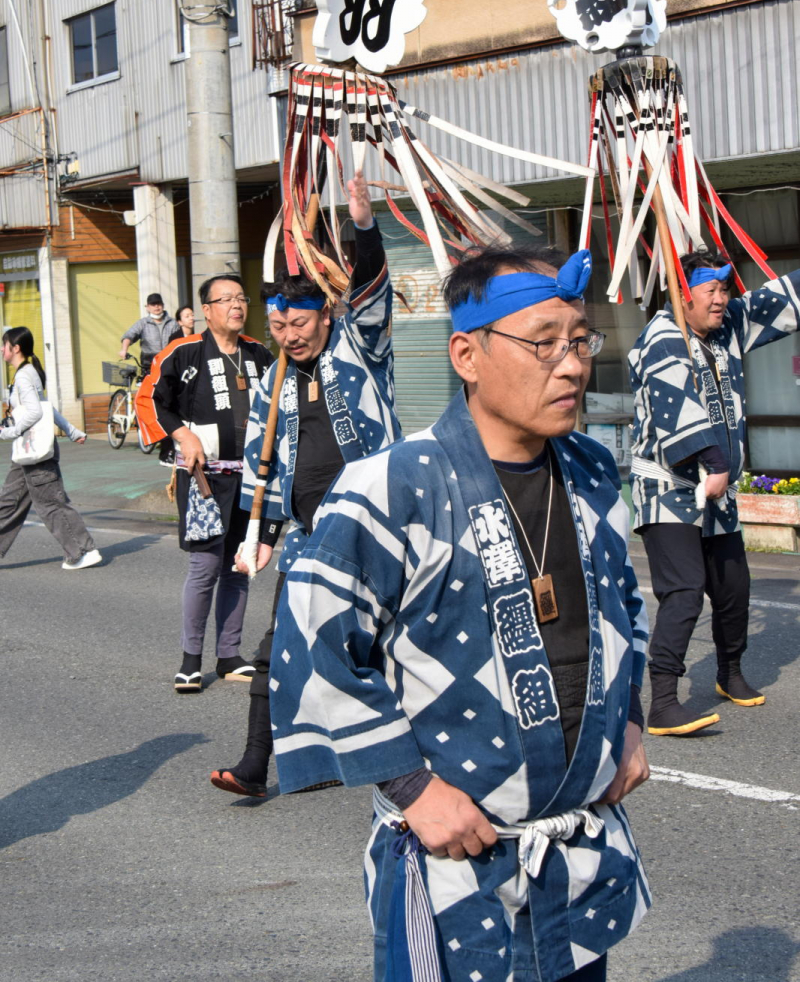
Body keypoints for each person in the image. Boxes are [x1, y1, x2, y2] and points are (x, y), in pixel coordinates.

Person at [268, 244, 651, 982]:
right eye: (543, 343)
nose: (571, 366)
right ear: (467, 355)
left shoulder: (594, 471)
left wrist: (628, 718)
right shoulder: (392, 484)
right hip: (455, 862)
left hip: (572, 857)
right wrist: (411, 789)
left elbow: (622, 606)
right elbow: (315, 641)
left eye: (580, 341)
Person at [209, 169, 401, 799]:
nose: (289, 336)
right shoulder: (274, 380)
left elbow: (372, 295)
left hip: (377, 526)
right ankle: (254, 764)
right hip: (308, 534)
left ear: (325, 314)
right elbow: (262, 463)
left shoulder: (361, 347)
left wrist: (364, 227)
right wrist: (260, 533)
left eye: (299, 324)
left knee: (392, 646)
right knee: (278, 647)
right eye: (278, 327)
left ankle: (416, 761)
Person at [629, 250, 800, 736]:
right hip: (668, 487)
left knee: (733, 588)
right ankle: (664, 702)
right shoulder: (662, 336)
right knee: (684, 590)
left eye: (725, 289)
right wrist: (717, 462)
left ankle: (730, 672)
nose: (722, 299)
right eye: (711, 290)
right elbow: (675, 407)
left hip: (717, 488)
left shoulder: (724, 329)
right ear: (683, 295)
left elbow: (776, 301)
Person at [134, 277, 273, 691]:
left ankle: (229, 655)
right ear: (206, 310)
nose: (236, 305)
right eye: (226, 299)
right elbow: (149, 399)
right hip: (203, 478)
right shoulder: (184, 351)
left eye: (241, 298)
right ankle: (190, 659)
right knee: (206, 566)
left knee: (239, 565)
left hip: (250, 479)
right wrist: (183, 435)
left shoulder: (260, 354)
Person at [0, 327, 101, 571]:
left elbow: (36, 411)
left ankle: (83, 551)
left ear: (16, 348)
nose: (2, 349)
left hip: (34, 451)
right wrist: (71, 430)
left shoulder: (24, 376)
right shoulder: (26, 373)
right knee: (9, 502)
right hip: (27, 451)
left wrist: (9, 432)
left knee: (51, 503)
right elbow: (46, 408)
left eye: (4, 345)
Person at [120, 293, 180, 371]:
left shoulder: (173, 323)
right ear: (148, 307)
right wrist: (124, 350)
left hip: (169, 363)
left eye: (158, 303)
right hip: (149, 364)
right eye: (153, 304)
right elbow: (129, 335)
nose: (156, 306)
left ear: (163, 305)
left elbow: (180, 341)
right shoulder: (142, 323)